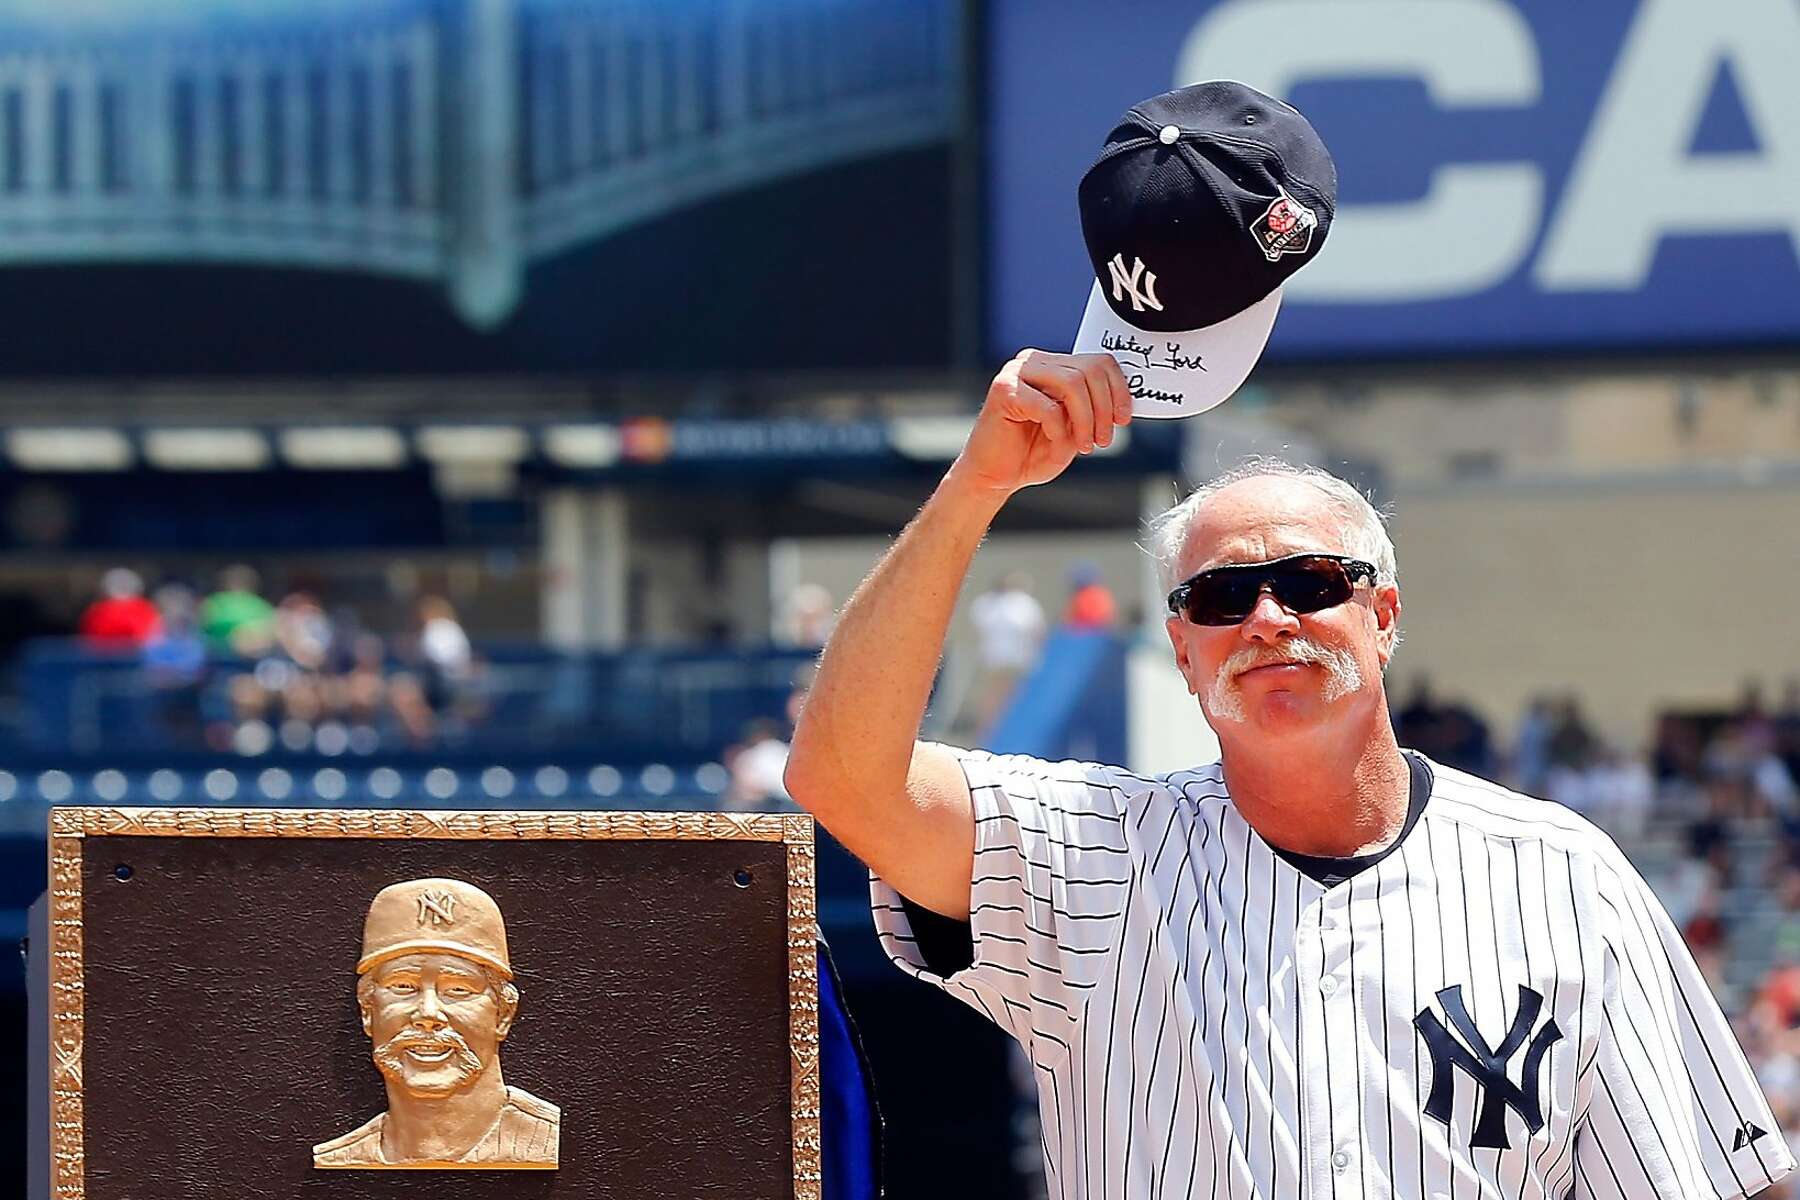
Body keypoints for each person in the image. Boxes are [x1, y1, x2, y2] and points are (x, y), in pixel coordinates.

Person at [786, 78, 1792, 1198]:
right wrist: (977, 486)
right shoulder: (1096, 859)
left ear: (1384, 614)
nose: (1268, 618)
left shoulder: (1564, 878)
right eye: (1220, 598)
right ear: (1181, 651)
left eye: (1311, 581)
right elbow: (839, 775)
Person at [313, 877, 559, 1168]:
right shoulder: (341, 1157)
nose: (428, 1014)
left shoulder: (543, 1139)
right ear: (367, 1009)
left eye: (458, 990)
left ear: (503, 1014)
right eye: (403, 986)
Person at [78, 567, 161, 647]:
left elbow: (150, 638)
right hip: (103, 657)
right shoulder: (98, 611)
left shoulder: (144, 609)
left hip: (138, 657)